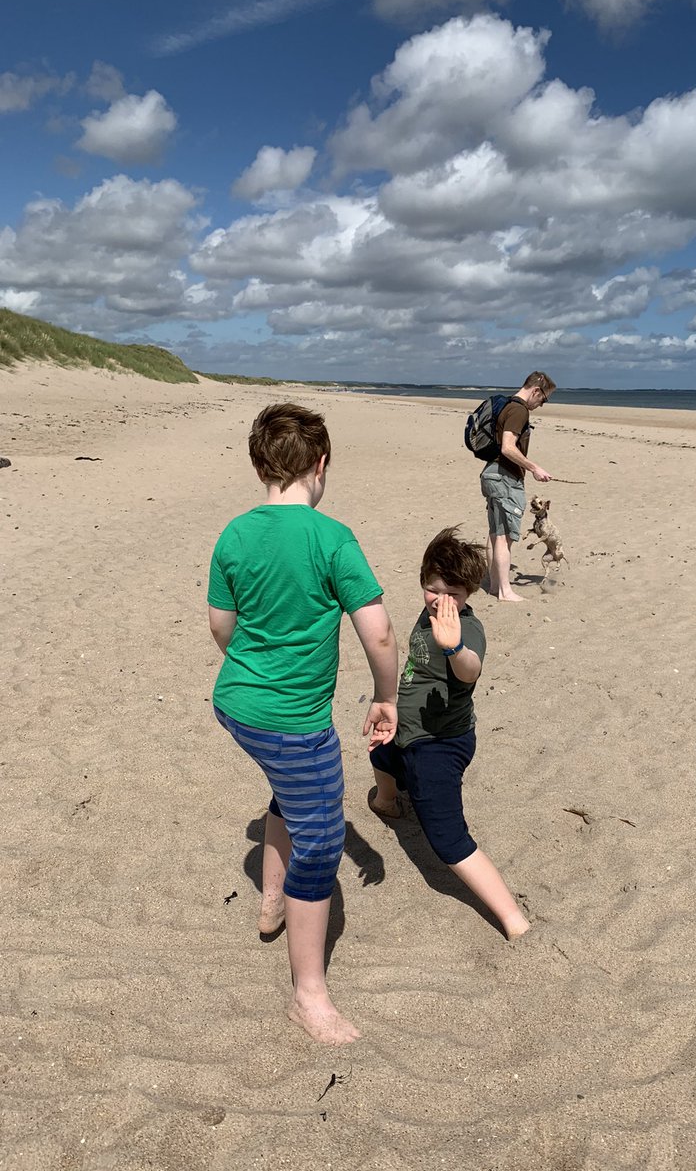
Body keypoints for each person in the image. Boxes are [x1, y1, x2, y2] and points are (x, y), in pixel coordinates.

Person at [207, 402, 398, 1046]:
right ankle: (309, 997)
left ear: (261, 464)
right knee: (319, 844)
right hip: (292, 719)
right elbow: (380, 632)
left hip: (236, 705)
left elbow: (222, 627)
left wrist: (254, 665)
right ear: (320, 466)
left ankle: (268, 900)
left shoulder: (234, 534)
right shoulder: (331, 537)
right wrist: (385, 696)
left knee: (286, 787)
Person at [368, 527, 530, 940]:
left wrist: (455, 647)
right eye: (433, 589)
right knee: (381, 757)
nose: (442, 600)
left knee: (447, 837)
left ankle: (514, 919)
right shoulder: (428, 615)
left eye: (453, 594)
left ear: (469, 592)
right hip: (407, 729)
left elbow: (471, 669)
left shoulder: (465, 629)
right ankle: (387, 802)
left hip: (439, 744)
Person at [480, 371, 556, 602]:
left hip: (492, 473)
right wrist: (534, 468)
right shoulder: (519, 410)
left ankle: (495, 586)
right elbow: (508, 448)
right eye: (544, 399)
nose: (541, 405)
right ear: (535, 390)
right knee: (504, 536)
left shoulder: (506, 406)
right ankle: (505, 591)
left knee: (495, 533)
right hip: (504, 477)